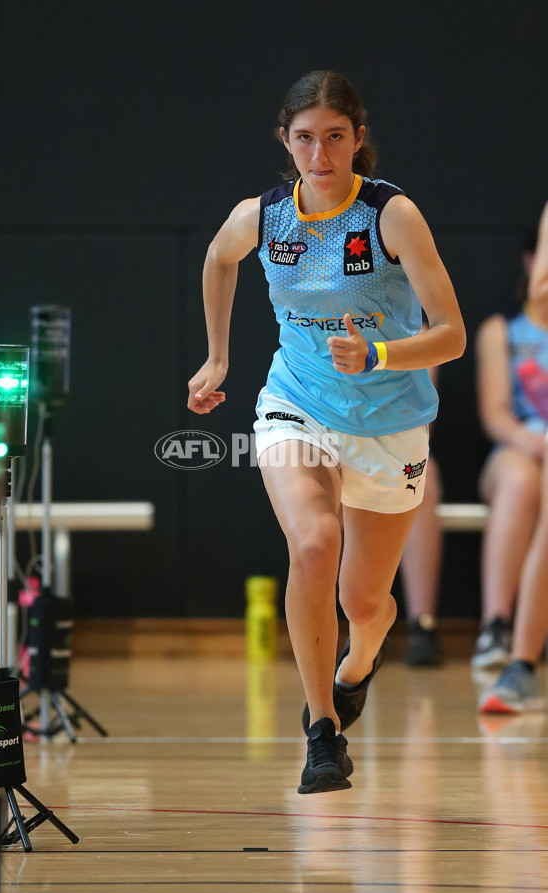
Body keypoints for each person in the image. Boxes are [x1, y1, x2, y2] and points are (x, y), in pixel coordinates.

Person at [188, 70, 466, 793]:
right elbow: (220, 258)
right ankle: (321, 731)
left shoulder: (390, 216)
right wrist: (218, 356)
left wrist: (378, 352)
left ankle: (358, 663)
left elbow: (452, 335)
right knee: (313, 543)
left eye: (334, 137)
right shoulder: (263, 215)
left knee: (364, 606)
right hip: (297, 402)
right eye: (305, 138)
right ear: (286, 141)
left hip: (389, 422)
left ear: (357, 140)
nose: (320, 153)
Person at [479, 201, 548, 713]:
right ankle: (501, 633)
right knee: (524, 480)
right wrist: (533, 442)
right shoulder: (504, 331)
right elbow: (496, 413)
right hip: (520, 447)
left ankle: (522, 660)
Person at [399, 359, 445, 667]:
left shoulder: (418, 331)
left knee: (422, 479)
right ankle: (329, 625)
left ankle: (422, 626)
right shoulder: (320, 320)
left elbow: (419, 418)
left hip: (395, 442)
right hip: (331, 436)